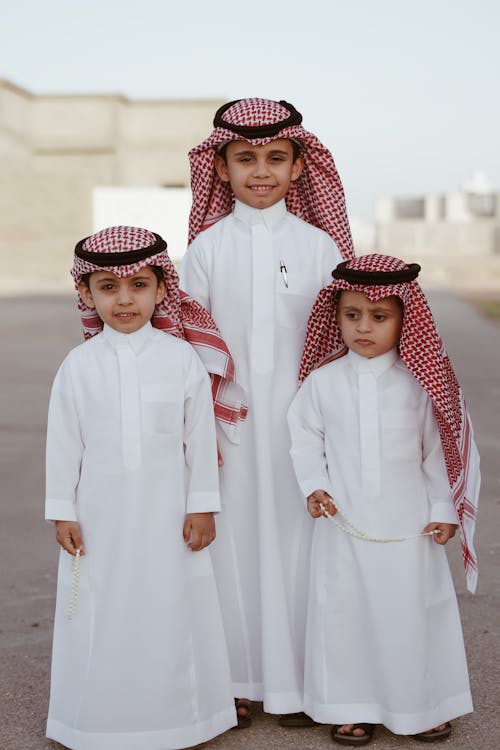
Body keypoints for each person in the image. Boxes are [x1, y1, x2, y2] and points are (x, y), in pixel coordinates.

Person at [179, 97, 355, 726]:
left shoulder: (318, 245)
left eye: (276, 159)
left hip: (302, 427)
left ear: (300, 167)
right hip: (229, 425)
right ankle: (240, 680)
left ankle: (306, 681)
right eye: (245, 159)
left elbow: (341, 338)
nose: (261, 171)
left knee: (302, 544)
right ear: (219, 169)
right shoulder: (204, 248)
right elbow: (190, 343)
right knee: (234, 548)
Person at [45, 225, 243, 750]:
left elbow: (200, 440)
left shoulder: (181, 359)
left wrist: (202, 505)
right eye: (108, 287)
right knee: (99, 607)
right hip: (99, 517)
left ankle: (182, 720)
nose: (125, 299)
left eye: (138, 285)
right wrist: (63, 510)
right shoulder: (77, 366)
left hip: (167, 512)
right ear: (86, 295)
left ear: (162, 290)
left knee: (169, 607)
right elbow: (64, 444)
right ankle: (92, 721)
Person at [287, 254, 480, 745]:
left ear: (405, 319)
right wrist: (314, 484)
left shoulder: (419, 385)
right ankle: (351, 705)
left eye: (379, 316)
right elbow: (304, 437)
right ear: (336, 318)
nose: (363, 327)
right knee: (344, 613)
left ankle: (421, 705)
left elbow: (437, 454)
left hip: (406, 526)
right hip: (343, 523)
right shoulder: (322, 381)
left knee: (409, 614)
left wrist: (442, 510)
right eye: (351, 316)